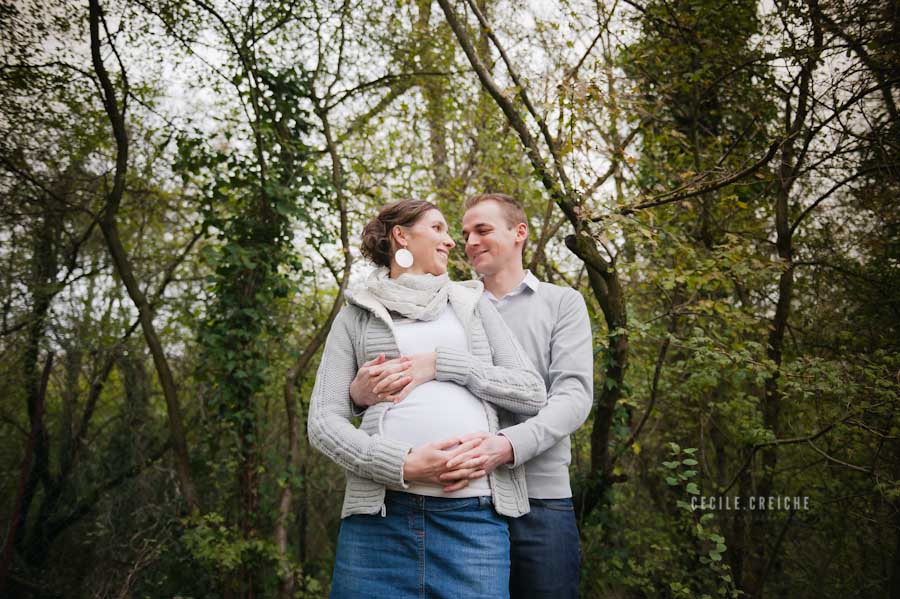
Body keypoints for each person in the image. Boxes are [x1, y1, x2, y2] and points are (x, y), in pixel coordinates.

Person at [351, 193, 594, 598]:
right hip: (464, 502)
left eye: (482, 230)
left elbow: (572, 396)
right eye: (464, 234)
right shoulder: (449, 303)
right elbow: (398, 376)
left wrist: (506, 446)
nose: (469, 242)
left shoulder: (561, 302)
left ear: (520, 233)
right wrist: (359, 396)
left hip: (539, 498)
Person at [306, 198, 547, 599]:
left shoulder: (471, 304)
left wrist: (443, 364)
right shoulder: (357, 314)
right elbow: (323, 421)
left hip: (473, 521)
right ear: (401, 235)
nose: (452, 242)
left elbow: (530, 391)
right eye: (438, 228)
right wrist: (401, 464)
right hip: (380, 522)